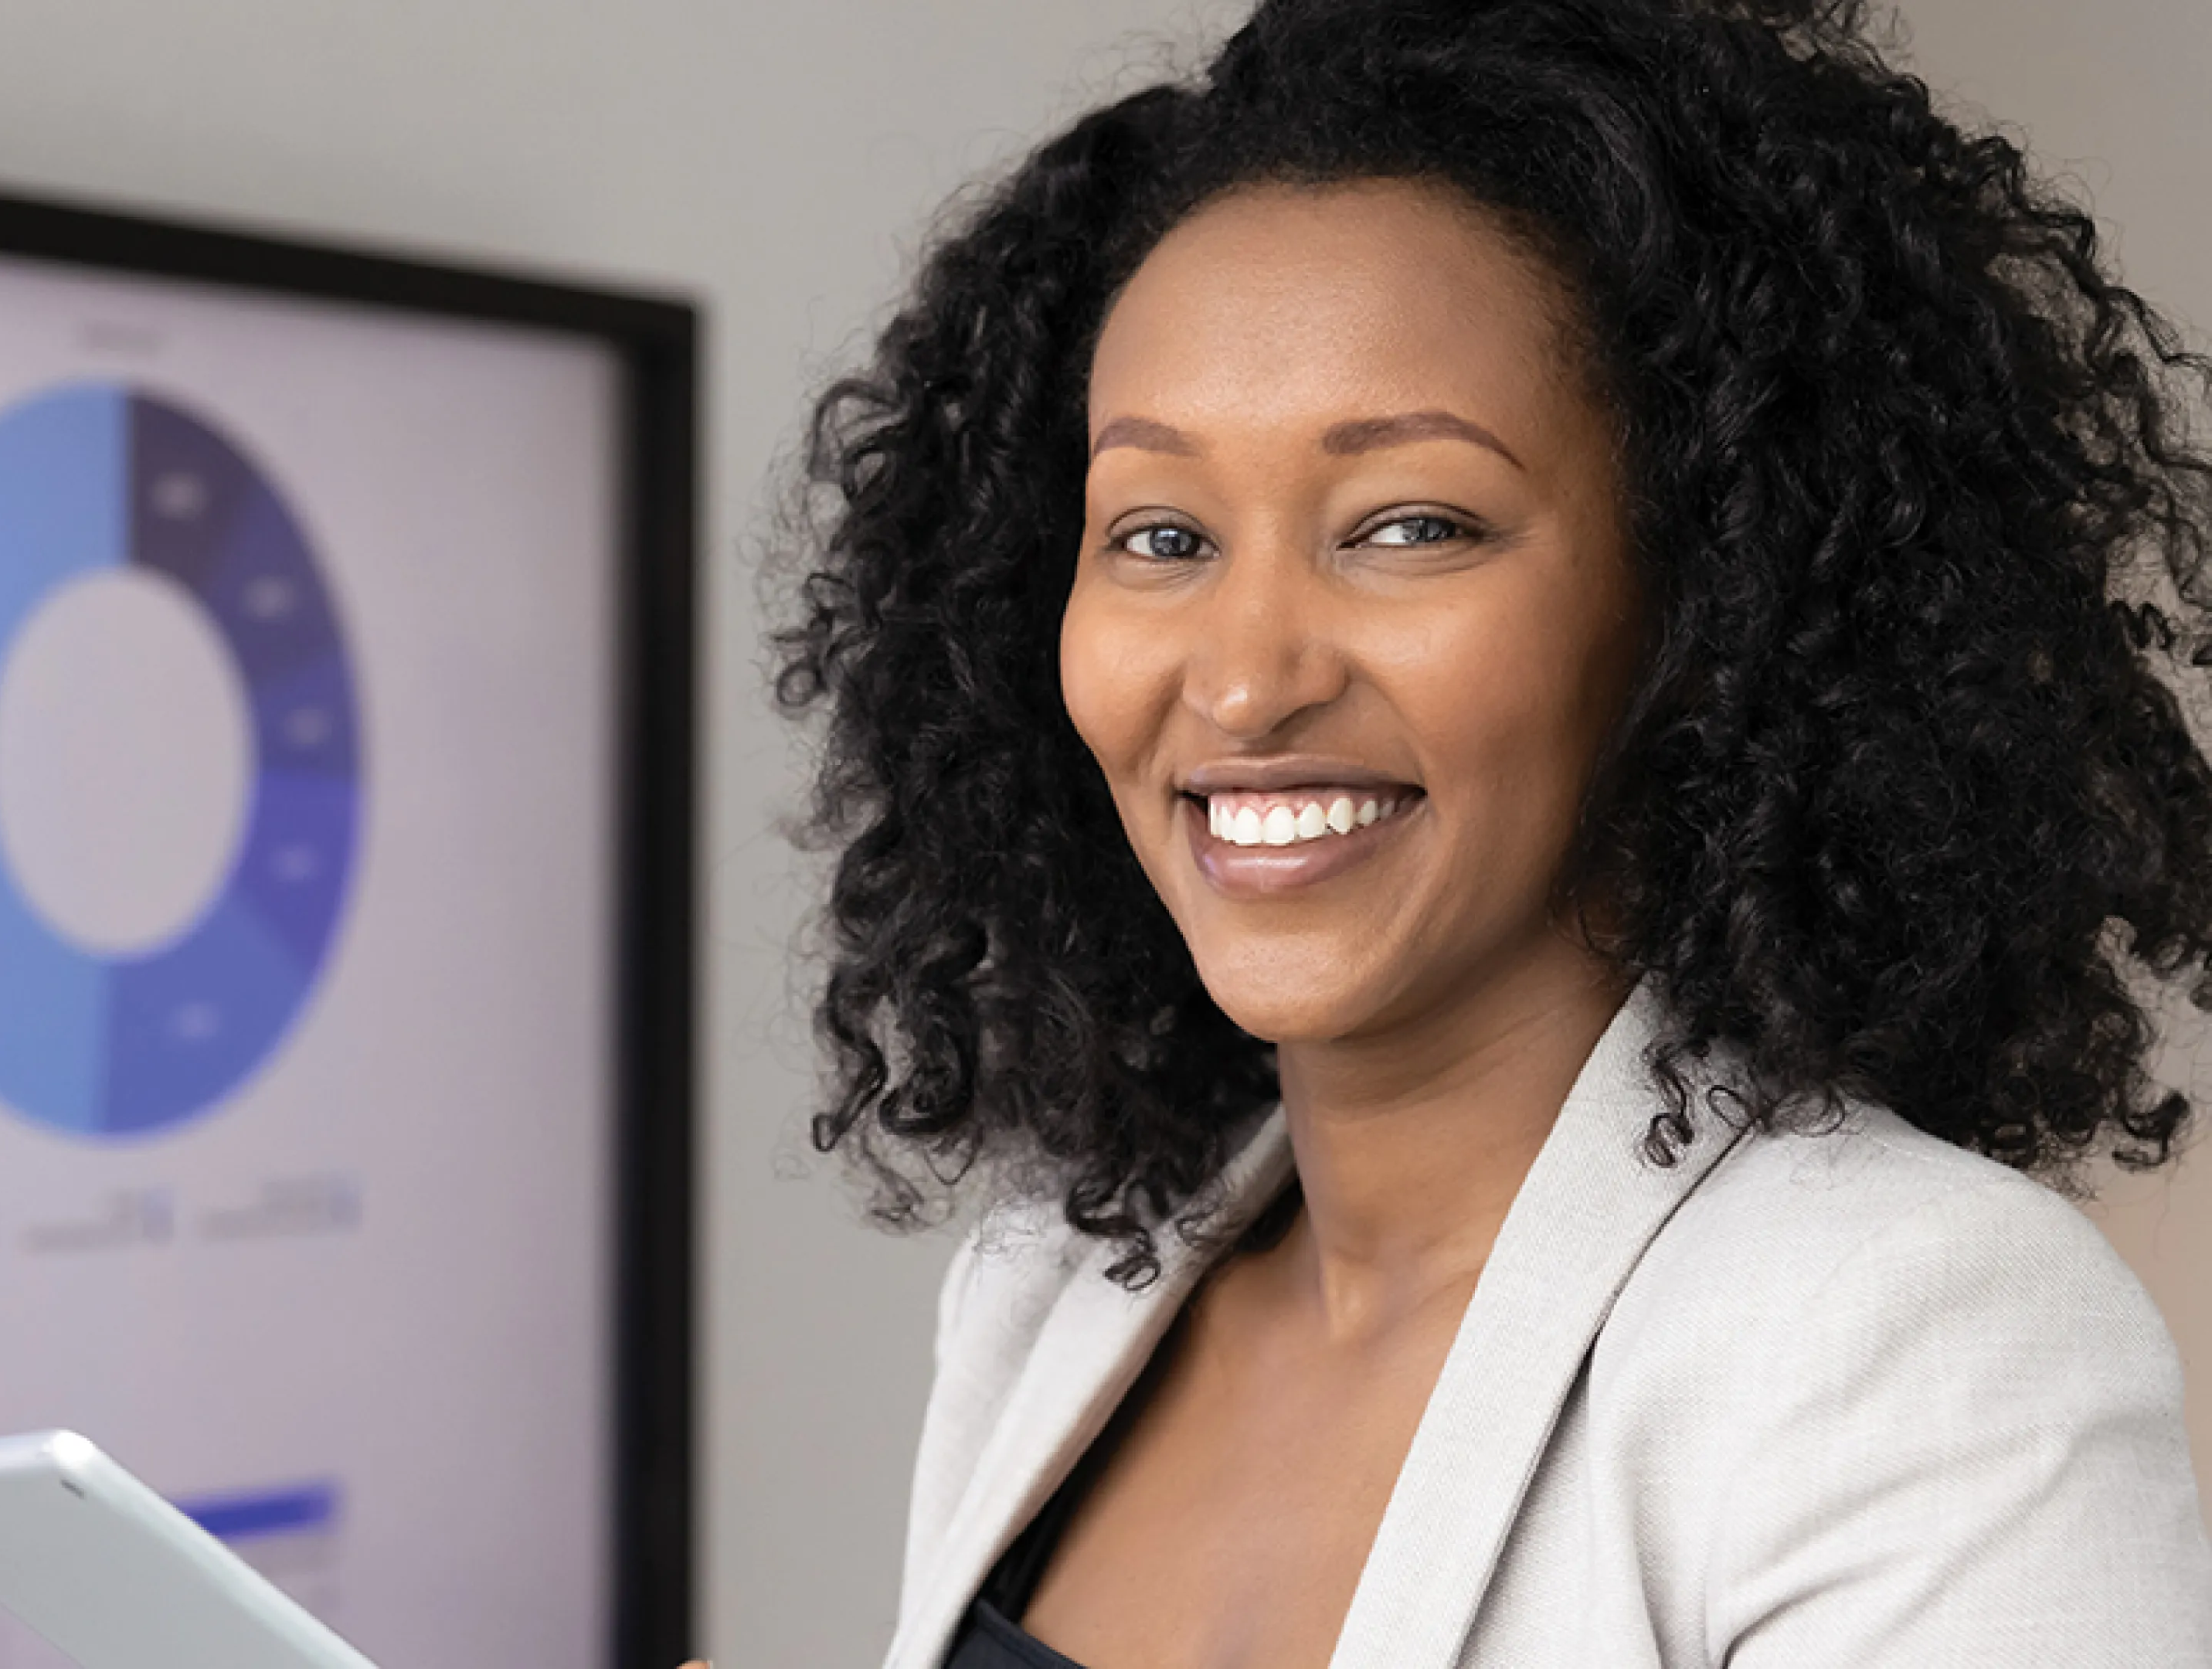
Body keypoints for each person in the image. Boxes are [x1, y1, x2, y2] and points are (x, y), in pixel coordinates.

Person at [770, 0, 2212, 1664]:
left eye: (1410, 526)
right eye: (1159, 534)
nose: (1244, 683)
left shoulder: (1918, 1341)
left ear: (1705, 599)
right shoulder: (1042, 1301)